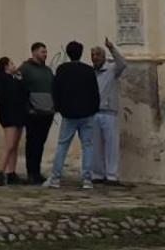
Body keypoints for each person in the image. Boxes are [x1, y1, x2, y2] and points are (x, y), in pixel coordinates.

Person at [45, 41, 100, 188]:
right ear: (81, 53)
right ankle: (87, 179)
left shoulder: (62, 69)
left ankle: (55, 178)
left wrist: (59, 108)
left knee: (63, 145)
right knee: (87, 145)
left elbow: (56, 90)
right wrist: (94, 109)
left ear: (68, 53)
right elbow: (95, 92)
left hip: (69, 114)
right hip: (87, 113)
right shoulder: (88, 70)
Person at [90, 37, 128, 185]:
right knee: (95, 145)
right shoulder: (90, 72)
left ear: (103, 56)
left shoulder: (112, 69)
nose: (94, 58)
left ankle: (112, 174)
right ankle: (97, 173)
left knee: (111, 145)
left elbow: (123, 63)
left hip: (109, 112)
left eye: (97, 55)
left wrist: (112, 48)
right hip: (94, 112)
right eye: (92, 55)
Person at [19, 41, 55, 184]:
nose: (45, 54)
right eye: (42, 52)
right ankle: (31, 172)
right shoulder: (25, 69)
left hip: (47, 112)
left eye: (46, 52)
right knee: (32, 143)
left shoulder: (47, 71)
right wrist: (28, 108)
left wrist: (54, 106)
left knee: (40, 143)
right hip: (33, 113)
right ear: (34, 53)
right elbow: (20, 90)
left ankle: (37, 171)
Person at [0, 57, 27, 184]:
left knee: (15, 146)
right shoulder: (2, 79)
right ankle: (1, 172)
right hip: (9, 115)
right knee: (9, 144)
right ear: (6, 66)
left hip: (18, 114)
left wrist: (20, 80)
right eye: (12, 63)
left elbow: (22, 93)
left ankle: (11, 172)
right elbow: (9, 95)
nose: (14, 65)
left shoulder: (13, 79)